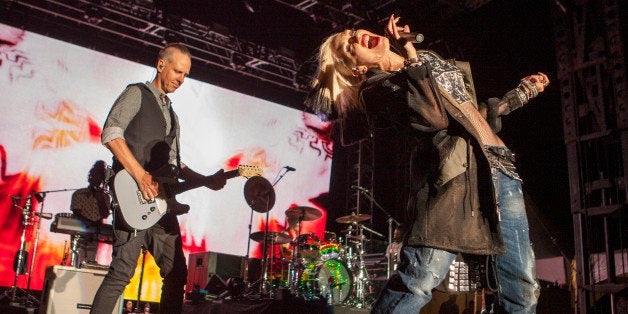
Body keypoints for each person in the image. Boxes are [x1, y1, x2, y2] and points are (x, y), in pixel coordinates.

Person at [305, 14, 549, 313]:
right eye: (349, 46)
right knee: (418, 281)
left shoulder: (425, 59)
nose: (357, 36)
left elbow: (471, 113)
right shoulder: (380, 89)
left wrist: (522, 93)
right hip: (453, 180)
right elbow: (434, 119)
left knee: (523, 291)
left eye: (353, 31)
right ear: (358, 68)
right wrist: (410, 60)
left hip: (500, 170)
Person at [90, 43, 227, 314]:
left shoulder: (173, 116)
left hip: (162, 204)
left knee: (177, 273)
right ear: (161, 64)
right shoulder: (136, 93)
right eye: (178, 71)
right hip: (133, 198)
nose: (182, 79)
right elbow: (111, 134)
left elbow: (176, 165)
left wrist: (207, 179)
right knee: (121, 274)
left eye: (186, 75)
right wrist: (140, 176)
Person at [69, 160, 111, 266]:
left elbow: (105, 214)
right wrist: (89, 224)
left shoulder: (104, 196)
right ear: (90, 176)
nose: (97, 179)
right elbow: (76, 211)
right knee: (77, 260)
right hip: (80, 232)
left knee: (90, 262)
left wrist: (100, 197)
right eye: (95, 176)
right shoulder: (79, 193)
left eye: (100, 177)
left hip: (95, 234)